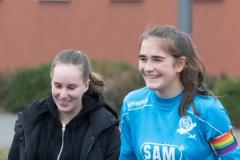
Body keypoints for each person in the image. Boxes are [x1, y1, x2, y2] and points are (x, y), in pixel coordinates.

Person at [119, 25, 240, 160]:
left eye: (157, 59)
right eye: (143, 59)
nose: (147, 68)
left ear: (180, 64)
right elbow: (127, 157)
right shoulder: (132, 104)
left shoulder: (208, 110)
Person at [8, 50, 120, 160]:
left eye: (71, 87)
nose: (63, 95)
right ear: (51, 82)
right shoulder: (30, 119)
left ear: (86, 85)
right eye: (58, 86)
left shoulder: (106, 127)